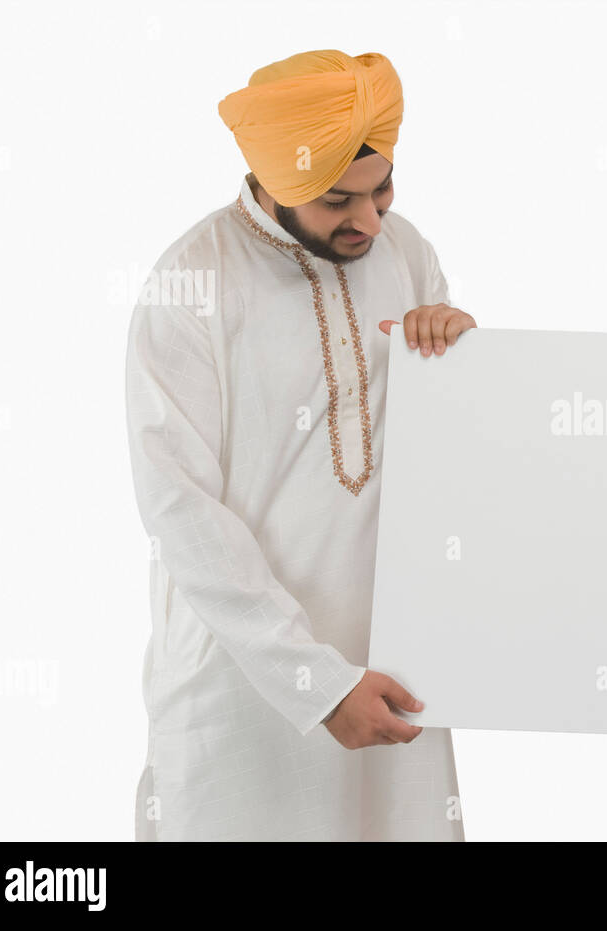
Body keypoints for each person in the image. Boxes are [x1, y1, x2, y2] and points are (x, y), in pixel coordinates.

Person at [124, 49, 476, 840]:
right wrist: (316, 684)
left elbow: (455, 460)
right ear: (274, 183)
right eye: (336, 201)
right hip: (245, 696)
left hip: (394, 678)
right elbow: (180, 509)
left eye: (382, 188)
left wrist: (464, 366)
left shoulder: (407, 252)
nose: (369, 221)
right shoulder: (193, 284)